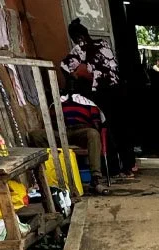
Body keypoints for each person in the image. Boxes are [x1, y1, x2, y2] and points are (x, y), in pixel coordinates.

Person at [61, 18, 136, 178]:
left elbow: (72, 72)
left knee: (108, 130)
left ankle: (117, 167)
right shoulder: (101, 45)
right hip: (112, 94)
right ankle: (126, 166)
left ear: (76, 37)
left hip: (102, 95)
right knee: (118, 130)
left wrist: (83, 75)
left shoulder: (80, 52)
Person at [29, 78, 108, 195]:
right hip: (60, 131)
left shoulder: (89, 104)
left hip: (80, 131)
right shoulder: (58, 102)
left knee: (93, 133)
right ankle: (46, 176)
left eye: (74, 86)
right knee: (36, 135)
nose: (71, 89)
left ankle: (96, 179)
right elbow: (49, 121)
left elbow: (96, 124)